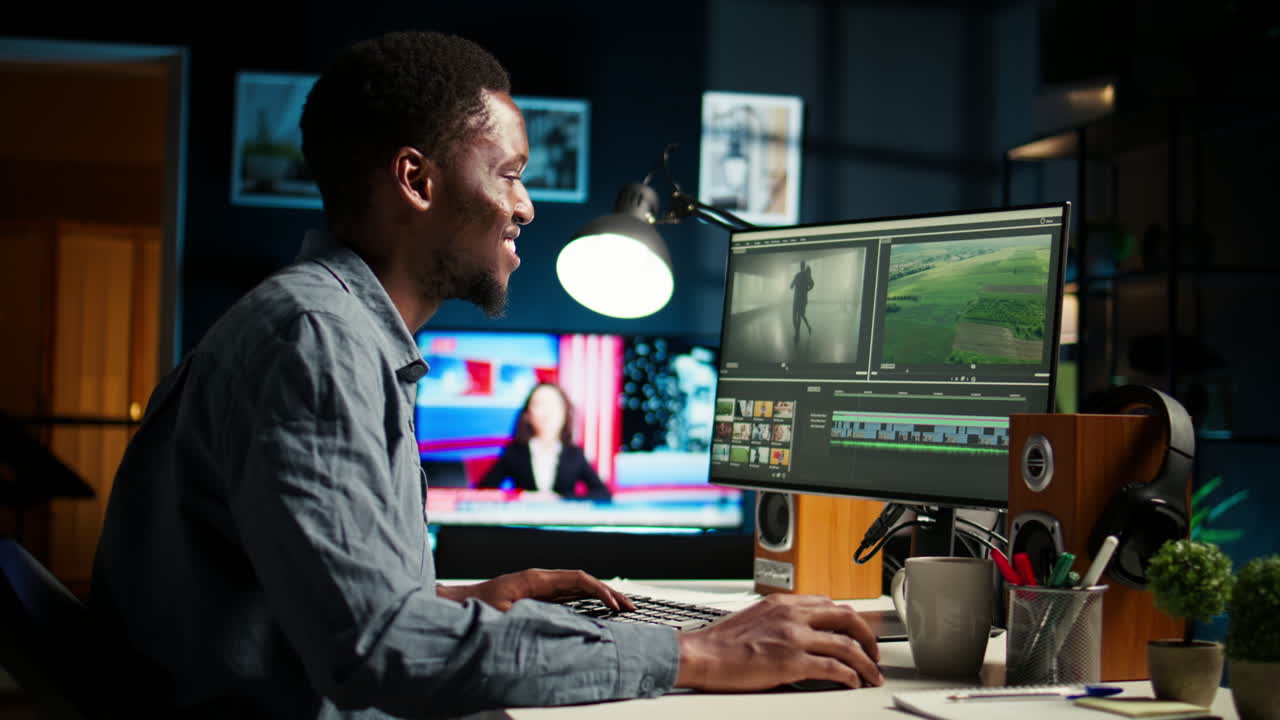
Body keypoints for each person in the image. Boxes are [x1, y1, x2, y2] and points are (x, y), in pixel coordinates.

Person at [90, 30, 882, 718]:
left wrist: (465, 600)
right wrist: (697, 654)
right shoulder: (315, 342)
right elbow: (378, 651)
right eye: (509, 172)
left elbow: (318, 604)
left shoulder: (332, 329)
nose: (528, 206)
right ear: (417, 180)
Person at [477, 382, 611, 500]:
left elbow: (602, 493)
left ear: (565, 412)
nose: (547, 411)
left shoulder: (574, 454)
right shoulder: (514, 451)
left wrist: (562, 500)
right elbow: (483, 491)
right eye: (540, 404)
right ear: (527, 415)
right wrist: (520, 496)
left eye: (554, 404)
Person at [791, 259, 815, 342]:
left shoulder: (798, 275)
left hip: (798, 299)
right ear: (803, 266)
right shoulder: (804, 276)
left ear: (801, 266)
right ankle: (804, 328)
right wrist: (807, 289)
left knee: (797, 316)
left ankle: (797, 333)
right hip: (801, 299)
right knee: (799, 316)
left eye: (801, 265)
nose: (801, 266)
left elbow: (791, 286)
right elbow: (812, 284)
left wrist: (793, 286)